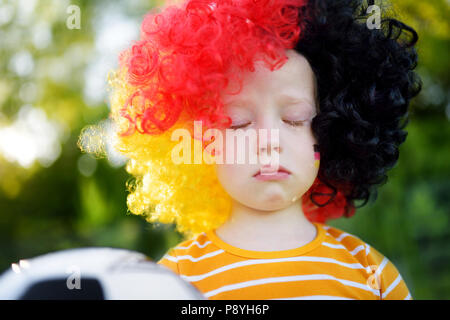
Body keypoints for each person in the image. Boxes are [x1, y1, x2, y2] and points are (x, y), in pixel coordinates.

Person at [93, 0, 422, 299]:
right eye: (237, 122)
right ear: (202, 141)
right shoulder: (174, 280)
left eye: (294, 119)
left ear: (332, 131)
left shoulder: (370, 273)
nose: (269, 139)